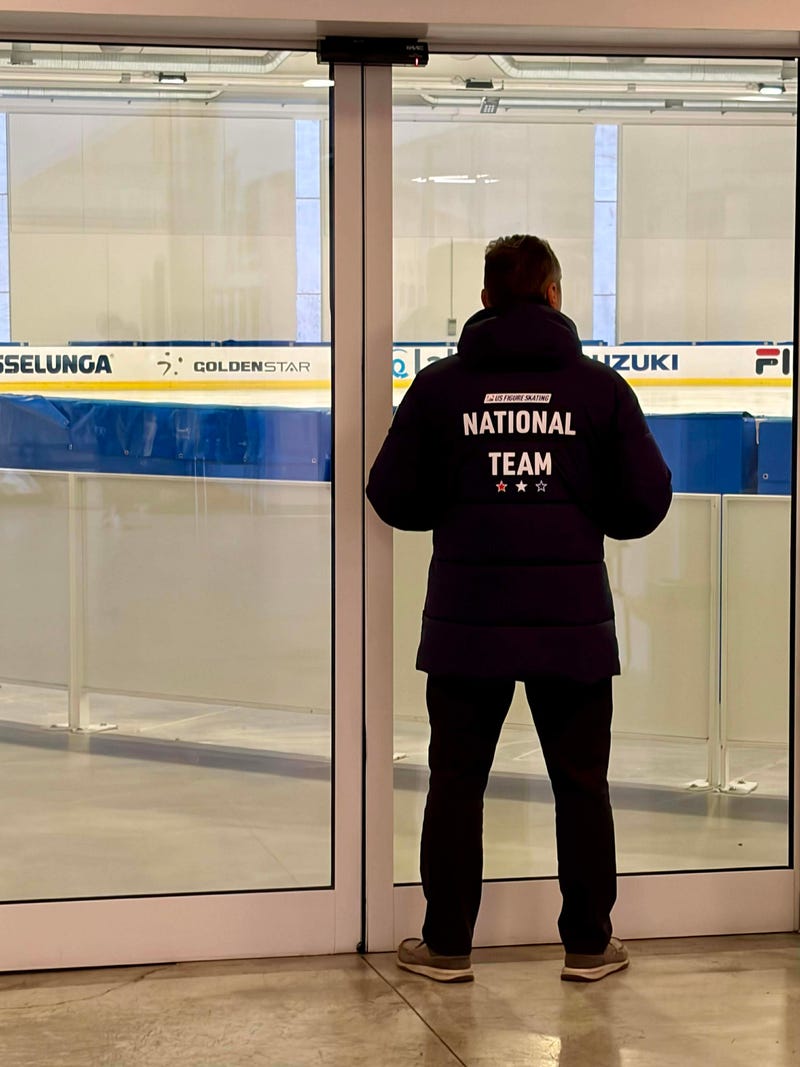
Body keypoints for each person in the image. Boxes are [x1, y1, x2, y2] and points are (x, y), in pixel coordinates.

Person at [366, 234, 672, 984]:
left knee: (457, 782)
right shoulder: (599, 391)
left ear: (485, 299)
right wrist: (580, 501)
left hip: (467, 626)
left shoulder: (440, 389)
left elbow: (393, 494)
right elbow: (644, 502)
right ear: (555, 294)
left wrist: (460, 499)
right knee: (581, 784)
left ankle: (447, 946)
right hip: (571, 628)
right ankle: (588, 946)